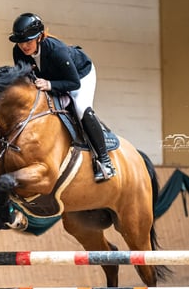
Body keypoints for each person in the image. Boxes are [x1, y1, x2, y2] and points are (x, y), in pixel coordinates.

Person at [8, 12, 115, 181]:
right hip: (52, 78)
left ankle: (105, 162)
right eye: (21, 42)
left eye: (28, 42)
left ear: (39, 37)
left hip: (79, 75)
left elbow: (74, 84)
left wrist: (50, 85)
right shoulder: (18, 52)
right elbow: (26, 78)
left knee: (81, 109)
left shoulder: (56, 50)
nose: (24, 47)